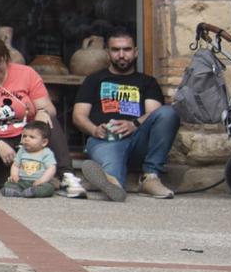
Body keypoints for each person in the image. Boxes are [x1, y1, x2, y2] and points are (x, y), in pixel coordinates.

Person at [0, 34, 81, 199]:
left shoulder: (26, 74)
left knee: (51, 123)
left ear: (5, 57)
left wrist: (42, 112)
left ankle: (67, 177)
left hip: (29, 137)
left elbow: (48, 107)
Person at [70, 27, 178, 203]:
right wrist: (95, 130)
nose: (121, 55)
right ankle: (113, 184)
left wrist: (134, 124)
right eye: (115, 50)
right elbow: (78, 116)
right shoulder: (94, 80)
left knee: (169, 113)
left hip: (138, 140)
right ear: (108, 53)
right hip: (105, 139)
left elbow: (155, 114)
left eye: (126, 49)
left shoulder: (147, 82)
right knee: (113, 172)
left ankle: (150, 177)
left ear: (135, 52)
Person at [3, 125, 58, 198]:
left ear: (44, 142)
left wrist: (42, 180)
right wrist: (14, 175)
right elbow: (16, 165)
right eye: (24, 136)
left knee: (48, 188)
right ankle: (16, 190)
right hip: (22, 181)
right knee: (8, 183)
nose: (26, 139)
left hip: (38, 183)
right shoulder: (22, 150)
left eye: (32, 137)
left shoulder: (46, 153)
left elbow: (51, 168)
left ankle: (34, 192)